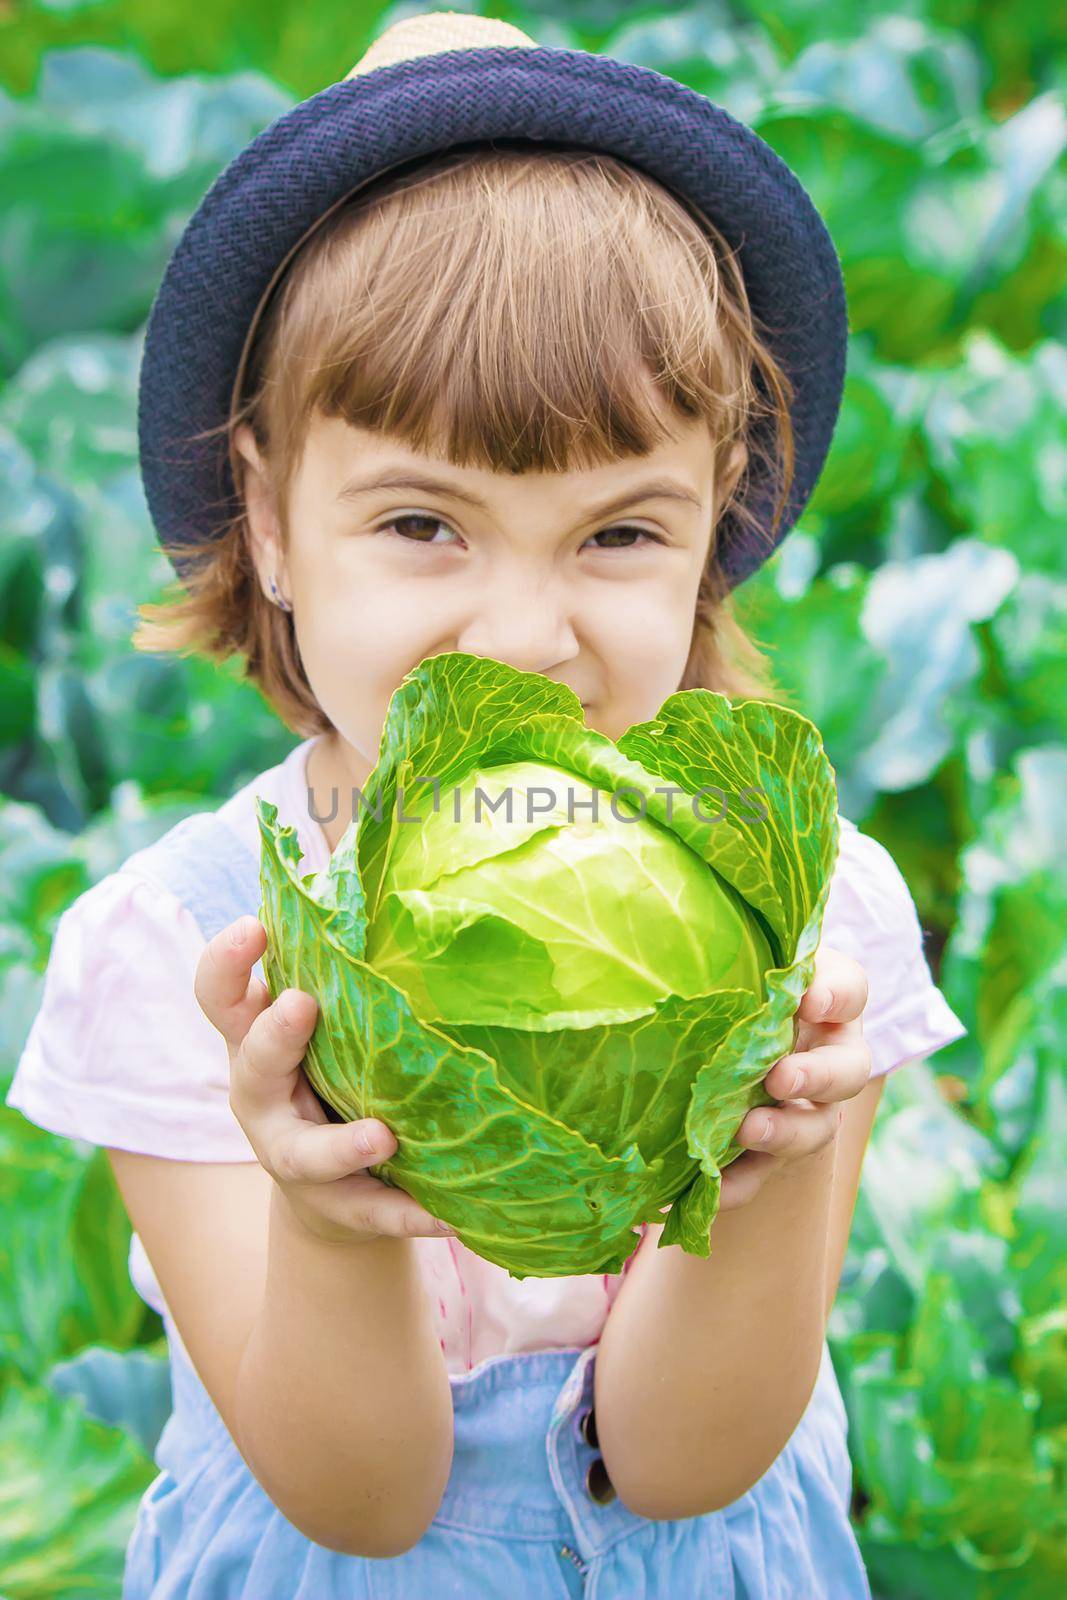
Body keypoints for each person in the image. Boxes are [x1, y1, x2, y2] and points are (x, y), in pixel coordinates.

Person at [6, 11, 968, 1596]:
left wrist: (772, 1168)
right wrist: (328, 1218)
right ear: (267, 519)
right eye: (422, 525)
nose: (527, 638)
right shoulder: (184, 964)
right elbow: (359, 1503)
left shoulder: (805, 915)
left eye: (618, 537)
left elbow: (687, 1458)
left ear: (714, 528)